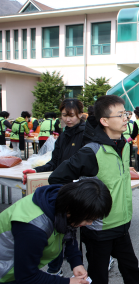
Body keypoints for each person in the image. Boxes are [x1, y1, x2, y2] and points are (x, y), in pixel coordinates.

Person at [48, 95, 139, 284]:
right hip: (98, 228)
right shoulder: (91, 151)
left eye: (126, 114)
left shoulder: (123, 145)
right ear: (104, 121)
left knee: (132, 271)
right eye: (120, 115)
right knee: (99, 277)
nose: (126, 119)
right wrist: (81, 206)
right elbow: (56, 178)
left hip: (122, 223)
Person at [0, 178, 112, 284]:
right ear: (74, 210)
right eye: (88, 219)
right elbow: (26, 276)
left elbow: (68, 233)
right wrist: (67, 282)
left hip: (16, 268)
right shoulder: (33, 228)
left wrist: (76, 262)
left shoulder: (62, 202)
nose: (90, 223)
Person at [21, 99, 87, 276]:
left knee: (72, 230)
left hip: (78, 188)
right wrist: (35, 171)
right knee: (58, 227)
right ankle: (55, 267)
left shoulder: (86, 134)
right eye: (64, 115)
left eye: (72, 115)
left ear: (80, 114)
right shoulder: (63, 135)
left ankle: (78, 265)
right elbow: (54, 163)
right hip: (61, 188)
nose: (68, 119)